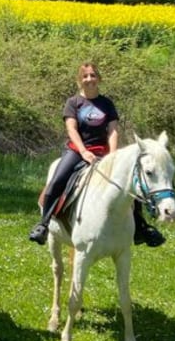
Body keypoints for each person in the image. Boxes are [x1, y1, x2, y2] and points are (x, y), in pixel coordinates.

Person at [28, 62, 164, 247]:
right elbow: (71, 129)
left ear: (99, 79)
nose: (89, 79)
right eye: (85, 76)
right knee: (56, 182)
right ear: (79, 80)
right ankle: (44, 224)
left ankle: (141, 228)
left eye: (93, 75)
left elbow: (113, 131)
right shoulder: (73, 103)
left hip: (104, 153)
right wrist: (83, 151)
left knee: (131, 184)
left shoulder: (107, 104)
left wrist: (113, 156)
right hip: (77, 151)